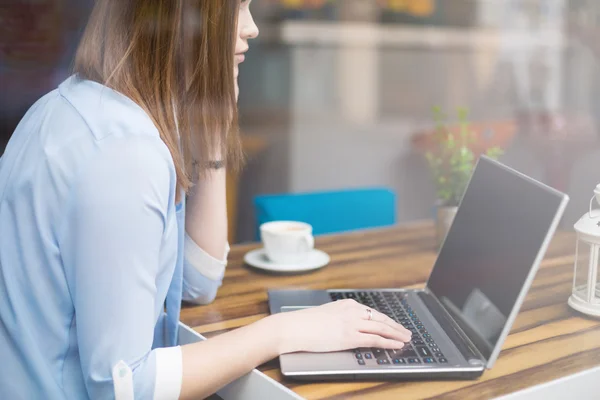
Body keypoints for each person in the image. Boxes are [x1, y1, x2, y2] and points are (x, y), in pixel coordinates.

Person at [0, 1, 411, 398]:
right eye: (236, 8)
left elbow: (195, 282)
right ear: (185, 18)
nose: (251, 27)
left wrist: (213, 128)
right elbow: (125, 388)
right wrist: (287, 331)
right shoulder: (123, 155)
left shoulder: (78, 108)